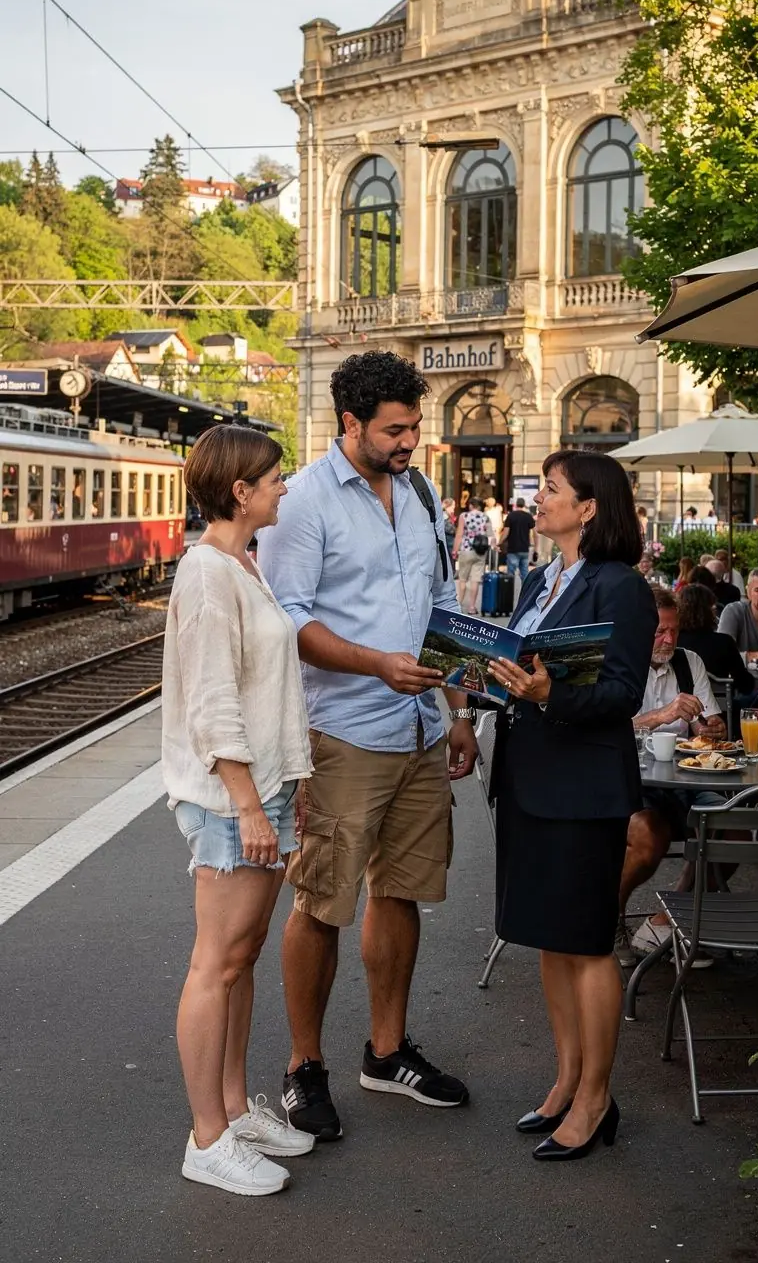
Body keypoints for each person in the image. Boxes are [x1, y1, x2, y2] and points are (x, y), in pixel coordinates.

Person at [259, 351, 477, 1142]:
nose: (410, 440)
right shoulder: (304, 502)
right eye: (395, 430)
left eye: (414, 426)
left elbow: (443, 602)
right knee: (321, 901)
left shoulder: (419, 491)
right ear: (350, 423)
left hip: (420, 729)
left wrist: (459, 710)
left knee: (402, 891)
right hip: (344, 730)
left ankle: (386, 1053)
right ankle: (304, 1067)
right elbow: (288, 619)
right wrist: (375, 664)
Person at [487, 451, 656, 1162]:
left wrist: (550, 693)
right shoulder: (540, 578)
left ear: (588, 508)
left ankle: (596, 1099)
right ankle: (565, 1081)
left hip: (584, 789)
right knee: (550, 940)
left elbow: (622, 693)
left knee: (586, 945)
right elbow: (524, 664)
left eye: (551, 489)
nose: (539, 498)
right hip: (529, 776)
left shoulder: (621, 587)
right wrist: (482, 673)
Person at [163, 425, 316, 1196]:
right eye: (275, 477)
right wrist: (251, 807)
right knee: (215, 963)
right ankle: (207, 1138)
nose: (284, 486)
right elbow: (213, 702)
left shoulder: (243, 563)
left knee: (241, 957)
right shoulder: (205, 573)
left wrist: (294, 782)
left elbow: (268, 690)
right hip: (233, 800)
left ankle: (231, 1109)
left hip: (267, 789)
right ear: (241, 491)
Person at [616, 589, 727, 966]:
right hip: (629, 781)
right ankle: (608, 917)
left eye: (673, 631)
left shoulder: (688, 661)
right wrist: (660, 715)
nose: (668, 639)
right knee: (649, 837)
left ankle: (668, 920)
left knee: (735, 829)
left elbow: (707, 723)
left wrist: (711, 728)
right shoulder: (618, 664)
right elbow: (602, 732)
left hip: (685, 779)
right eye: (659, 631)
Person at [677, 582, 754, 730]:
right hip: (720, 716)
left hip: (680, 714)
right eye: (712, 607)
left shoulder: (675, 642)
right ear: (708, 610)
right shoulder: (724, 642)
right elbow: (746, 685)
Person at [454, 498, 497, 614]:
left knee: (462, 579)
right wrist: (494, 546)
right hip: (480, 551)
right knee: (475, 580)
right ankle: (472, 607)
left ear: (471, 505)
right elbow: (491, 534)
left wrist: (455, 550)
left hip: (466, 550)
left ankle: (458, 605)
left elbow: (459, 534)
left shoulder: (464, 516)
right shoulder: (485, 517)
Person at [500, 497, 535, 582]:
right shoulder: (528, 516)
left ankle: (509, 590)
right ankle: (526, 590)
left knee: (510, 574)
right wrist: (535, 548)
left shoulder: (511, 516)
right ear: (524, 505)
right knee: (525, 573)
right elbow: (535, 534)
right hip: (525, 549)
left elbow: (506, 532)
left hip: (513, 549)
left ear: (516, 505)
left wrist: (499, 542)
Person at [441, 496, 457, 566]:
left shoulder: (447, 515)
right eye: (453, 506)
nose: (454, 508)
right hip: (448, 543)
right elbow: (449, 529)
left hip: (449, 542)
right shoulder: (444, 516)